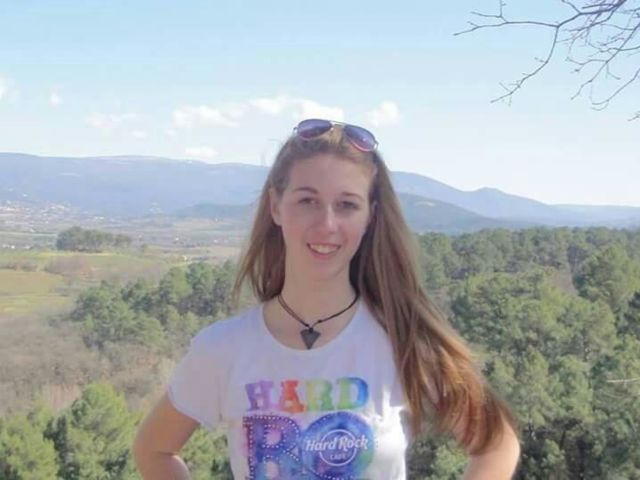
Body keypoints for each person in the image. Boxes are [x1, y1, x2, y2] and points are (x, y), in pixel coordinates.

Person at [133, 119, 521, 479]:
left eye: (347, 205)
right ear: (275, 206)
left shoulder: (404, 342)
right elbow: (153, 450)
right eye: (308, 201)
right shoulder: (223, 349)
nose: (327, 224)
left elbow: (496, 446)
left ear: (370, 217)